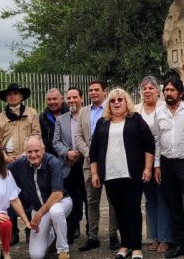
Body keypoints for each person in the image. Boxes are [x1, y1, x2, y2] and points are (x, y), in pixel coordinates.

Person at [89, 88, 155, 259]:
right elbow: (94, 151)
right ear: (109, 104)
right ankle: (125, 245)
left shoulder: (135, 119)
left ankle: (137, 247)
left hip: (132, 174)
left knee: (132, 209)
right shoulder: (102, 123)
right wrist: (95, 173)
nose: (116, 102)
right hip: (110, 175)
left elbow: (149, 145)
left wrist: (148, 168)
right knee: (119, 211)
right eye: (113, 100)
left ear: (126, 102)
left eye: (120, 99)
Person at [152, 76, 184, 259]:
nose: (168, 93)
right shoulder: (159, 112)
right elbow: (156, 139)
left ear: (180, 93)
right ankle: (181, 244)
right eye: (166, 90)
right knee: (174, 206)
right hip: (166, 163)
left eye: (172, 90)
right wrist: (157, 165)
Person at [74, 80, 120, 252]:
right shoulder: (84, 112)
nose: (93, 93)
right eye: (90, 90)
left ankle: (113, 235)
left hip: (111, 161)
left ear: (104, 91)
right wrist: (90, 154)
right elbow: (78, 136)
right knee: (92, 201)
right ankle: (93, 236)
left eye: (96, 90)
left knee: (113, 200)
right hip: (88, 162)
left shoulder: (112, 108)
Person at [0, 83, 41, 245]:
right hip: (8, 160)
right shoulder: (0, 118)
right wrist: (4, 156)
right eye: (9, 94)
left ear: (21, 96)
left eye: (15, 93)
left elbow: (36, 135)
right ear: (6, 98)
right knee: (9, 196)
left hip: (27, 158)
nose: (12, 96)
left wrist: (27, 154)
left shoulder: (31, 113)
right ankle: (13, 231)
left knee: (28, 194)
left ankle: (29, 228)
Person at [9, 135, 73, 259]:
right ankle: (51, 236)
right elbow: (1, 169)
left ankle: (63, 251)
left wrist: (38, 215)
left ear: (43, 149)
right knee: (36, 255)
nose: (33, 155)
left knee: (56, 211)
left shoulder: (53, 162)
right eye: (29, 152)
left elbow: (58, 194)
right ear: (25, 152)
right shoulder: (21, 164)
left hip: (61, 203)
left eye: (36, 151)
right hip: (39, 210)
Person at [134, 76, 172, 254]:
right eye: (144, 88)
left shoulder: (164, 108)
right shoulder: (135, 110)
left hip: (161, 160)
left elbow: (160, 137)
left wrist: (156, 163)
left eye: (151, 88)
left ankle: (165, 237)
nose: (147, 91)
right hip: (140, 162)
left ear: (158, 91)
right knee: (150, 200)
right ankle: (154, 236)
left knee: (163, 198)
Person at [52, 87, 87, 244]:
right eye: (69, 98)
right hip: (68, 164)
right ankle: (73, 229)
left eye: (75, 97)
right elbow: (56, 142)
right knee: (72, 197)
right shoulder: (61, 119)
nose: (72, 100)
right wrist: (67, 153)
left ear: (81, 99)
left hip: (86, 162)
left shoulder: (89, 116)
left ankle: (91, 231)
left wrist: (80, 153)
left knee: (88, 197)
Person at [40, 88, 68, 157]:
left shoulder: (70, 114)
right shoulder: (42, 117)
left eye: (55, 99)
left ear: (62, 99)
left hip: (69, 156)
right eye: (49, 99)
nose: (52, 102)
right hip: (50, 157)